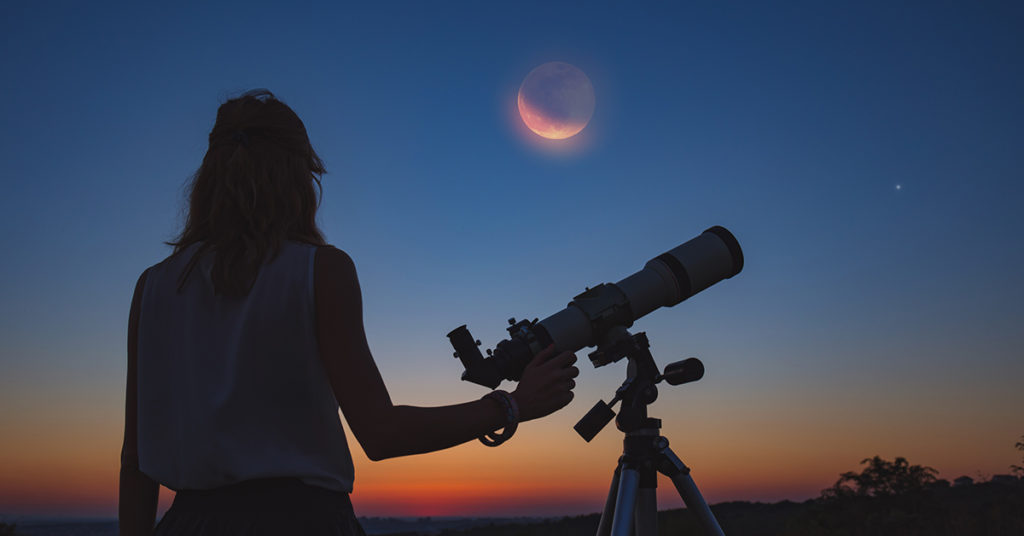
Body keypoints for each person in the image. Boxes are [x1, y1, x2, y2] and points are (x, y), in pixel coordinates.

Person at [118, 90, 579, 536]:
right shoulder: (320, 270)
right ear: (298, 178)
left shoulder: (153, 285)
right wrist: (514, 404)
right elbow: (381, 434)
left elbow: (135, 460)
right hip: (302, 522)